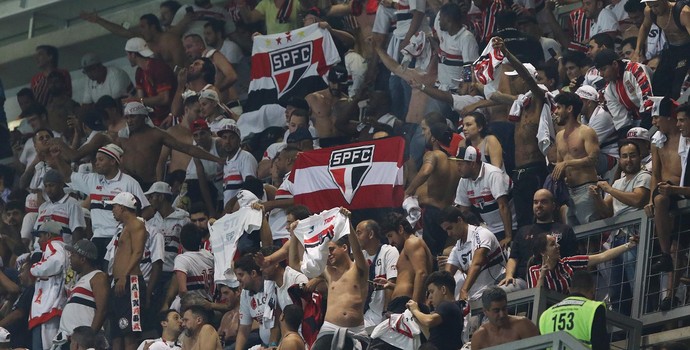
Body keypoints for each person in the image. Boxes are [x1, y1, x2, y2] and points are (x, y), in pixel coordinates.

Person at [52, 143, 149, 265]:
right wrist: (57, 158)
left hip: (119, 238)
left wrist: (132, 229)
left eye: (101, 160)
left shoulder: (129, 183)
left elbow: (147, 209)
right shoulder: (93, 179)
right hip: (97, 238)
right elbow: (68, 177)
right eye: (96, 159)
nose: (96, 163)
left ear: (113, 161)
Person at [492, 36, 550, 229]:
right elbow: (496, 96)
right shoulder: (520, 105)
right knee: (524, 224)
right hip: (519, 173)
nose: (513, 82)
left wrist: (507, 53)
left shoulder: (539, 97)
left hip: (535, 169)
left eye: (515, 78)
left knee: (539, 220)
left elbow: (527, 76)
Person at [116, 101, 223, 189]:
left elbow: (187, 148)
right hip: (127, 184)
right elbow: (110, 157)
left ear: (143, 117)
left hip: (149, 184)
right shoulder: (122, 136)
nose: (129, 121)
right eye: (127, 117)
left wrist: (216, 159)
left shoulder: (157, 134)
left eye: (133, 117)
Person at [404, 115, 461, 256]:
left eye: (426, 132)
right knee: (442, 252)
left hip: (431, 212)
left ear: (434, 138)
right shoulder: (455, 162)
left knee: (430, 253)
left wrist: (408, 191)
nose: (424, 135)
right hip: (447, 212)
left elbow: (426, 171)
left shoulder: (433, 155)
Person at [500, 189, 579, 290]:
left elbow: (572, 258)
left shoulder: (564, 230)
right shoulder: (523, 231)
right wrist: (509, 276)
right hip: (525, 281)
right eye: (535, 202)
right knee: (503, 290)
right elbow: (513, 258)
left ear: (553, 206)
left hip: (555, 279)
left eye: (544, 202)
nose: (539, 205)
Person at [644, 97, 682, 274]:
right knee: (659, 200)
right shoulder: (657, 141)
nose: (653, 122)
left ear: (668, 117)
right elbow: (655, 173)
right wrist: (651, 197)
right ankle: (665, 255)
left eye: (656, 117)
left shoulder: (685, 136)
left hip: (681, 186)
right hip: (664, 190)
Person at [552, 92, 602, 225]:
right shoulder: (559, 136)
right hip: (569, 192)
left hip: (586, 189)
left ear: (569, 109)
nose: (556, 112)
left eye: (559, 108)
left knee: (591, 236)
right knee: (574, 238)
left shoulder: (586, 131)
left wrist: (567, 163)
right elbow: (559, 164)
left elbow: (593, 159)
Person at [528, 233, 637, 293]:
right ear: (542, 252)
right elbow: (536, 298)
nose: (558, 246)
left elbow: (601, 257)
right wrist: (542, 276)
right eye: (552, 244)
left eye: (557, 243)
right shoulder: (533, 271)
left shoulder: (568, 264)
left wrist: (628, 245)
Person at [452, 145, 516, 247]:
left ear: (472, 164)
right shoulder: (464, 181)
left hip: (510, 227)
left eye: (461, 164)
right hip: (488, 229)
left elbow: (503, 206)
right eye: (457, 164)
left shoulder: (493, 174)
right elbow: (464, 212)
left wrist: (508, 236)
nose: (458, 168)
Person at [107, 192, 147, 350]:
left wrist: (124, 276)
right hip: (120, 282)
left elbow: (138, 252)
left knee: (129, 333)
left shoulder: (137, 225)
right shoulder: (124, 228)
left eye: (114, 207)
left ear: (123, 207)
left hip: (131, 281)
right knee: (117, 333)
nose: (113, 210)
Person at [440, 206, 506, 301]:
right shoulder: (457, 248)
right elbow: (446, 276)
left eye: (450, 228)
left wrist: (464, 289)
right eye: (446, 230)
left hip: (498, 285)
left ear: (459, 220)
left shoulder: (481, 234)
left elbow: (477, 264)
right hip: (477, 295)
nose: (449, 234)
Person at [538, 270, 610, 350]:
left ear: (569, 289)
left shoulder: (546, 315)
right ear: (593, 289)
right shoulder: (595, 308)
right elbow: (601, 345)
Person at [634, 0, 690, 99]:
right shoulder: (649, 11)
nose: (654, 10)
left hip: (686, 49)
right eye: (651, 6)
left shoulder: (683, 12)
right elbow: (645, 27)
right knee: (657, 84)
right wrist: (637, 51)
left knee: (677, 87)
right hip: (671, 49)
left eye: (656, 5)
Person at [593, 49, 652, 136]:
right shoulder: (608, 88)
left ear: (615, 64)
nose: (601, 74)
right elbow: (620, 120)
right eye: (599, 70)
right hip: (637, 119)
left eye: (603, 69)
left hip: (655, 115)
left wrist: (642, 136)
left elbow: (648, 101)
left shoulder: (636, 70)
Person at [379, 212, 433, 306]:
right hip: (401, 303)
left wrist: (413, 307)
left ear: (400, 229)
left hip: (407, 304)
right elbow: (408, 282)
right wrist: (391, 286)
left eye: (390, 236)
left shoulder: (412, 242)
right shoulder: (407, 247)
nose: (390, 242)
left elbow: (422, 273)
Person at [29, 221, 68, 350]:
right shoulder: (63, 247)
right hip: (53, 305)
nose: (38, 241)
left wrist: (34, 268)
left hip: (48, 307)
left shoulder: (54, 244)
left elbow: (57, 261)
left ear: (48, 235)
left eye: (40, 236)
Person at [60, 239, 109, 337]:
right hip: (69, 338)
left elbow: (102, 310)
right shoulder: (79, 281)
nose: (70, 257)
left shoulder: (98, 277)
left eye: (73, 255)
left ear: (82, 259)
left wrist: (89, 337)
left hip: (83, 340)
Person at [123, 37, 177, 126]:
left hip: (170, 116)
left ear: (133, 54)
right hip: (154, 119)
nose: (128, 58)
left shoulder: (158, 68)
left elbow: (164, 99)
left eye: (127, 55)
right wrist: (131, 100)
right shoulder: (139, 72)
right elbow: (141, 97)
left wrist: (137, 100)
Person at [355, 219, 399, 327]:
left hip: (384, 316)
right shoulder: (361, 257)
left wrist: (386, 313)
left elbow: (391, 283)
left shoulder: (389, 251)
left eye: (358, 233)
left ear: (370, 234)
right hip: (368, 313)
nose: (356, 237)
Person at [405, 271, 463, 350]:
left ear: (443, 290)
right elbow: (431, 337)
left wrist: (415, 310)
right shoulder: (453, 308)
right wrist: (417, 317)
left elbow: (429, 320)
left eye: (432, 292)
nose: (430, 297)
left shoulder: (447, 305)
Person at [471, 286, 540, 349]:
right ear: (485, 311)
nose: (502, 314)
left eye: (504, 309)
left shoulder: (523, 325)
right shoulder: (479, 337)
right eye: (496, 311)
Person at [234, 255, 279, 349]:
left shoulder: (271, 284)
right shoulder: (245, 293)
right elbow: (244, 329)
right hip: (264, 345)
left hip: (280, 343)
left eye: (241, 275)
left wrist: (272, 346)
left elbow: (277, 320)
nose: (238, 279)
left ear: (253, 273)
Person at [32, 169, 86, 245]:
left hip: (61, 251)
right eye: (46, 186)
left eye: (51, 185)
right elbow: (37, 232)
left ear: (61, 185)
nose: (48, 190)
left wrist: (73, 253)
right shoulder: (43, 207)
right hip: (41, 252)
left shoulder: (72, 203)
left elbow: (77, 231)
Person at [306, 66, 351, 148]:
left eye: (340, 84)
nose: (336, 87)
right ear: (328, 81)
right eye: (334, 83)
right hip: (321, 142)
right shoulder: (313, 98)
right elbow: (301, 120)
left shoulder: (348, 102)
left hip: (343, 141)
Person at [218, 120, 257, 206]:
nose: (227, 141)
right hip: (231, 213)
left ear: (239, 140)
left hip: (242, 209)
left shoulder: (245, 157)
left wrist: (230, 206)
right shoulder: (226, 162)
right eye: (224, 137)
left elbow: (250, 188)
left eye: (232, 137)